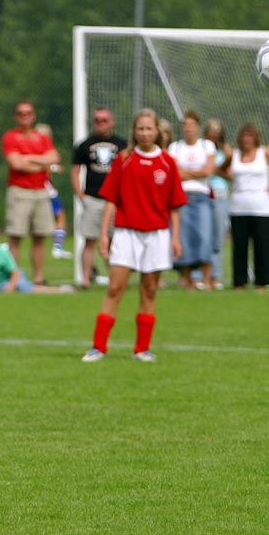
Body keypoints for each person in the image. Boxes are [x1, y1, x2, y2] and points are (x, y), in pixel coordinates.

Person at [82, 108, 185, 363]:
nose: (145, 133)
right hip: (126, 233)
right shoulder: (124, 159)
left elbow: (174, 205)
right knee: (115, 288)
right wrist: (105, 234)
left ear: (157, 131)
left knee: (149, 291)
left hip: (157, 235)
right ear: (134, 131)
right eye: (140, 128)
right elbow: (111, 201)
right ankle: (98, 347)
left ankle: (142, 349)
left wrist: (175, 237)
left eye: (149, 128)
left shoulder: (168, 162)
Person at [2, 99, 60, 286]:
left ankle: (38, 278)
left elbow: (54, 158)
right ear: (16, 116)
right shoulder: (10, 137)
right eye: (21, 114)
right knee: (16, 236)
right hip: (20, 191)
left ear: (33, 116)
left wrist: (29, 159)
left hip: (41, 191)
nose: (25, 117)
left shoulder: (42, 137)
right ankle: (14, 278)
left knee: (40, 236)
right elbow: (16, 164)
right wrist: (41, 162)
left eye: (28, 113)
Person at [225, 122, 269, 291]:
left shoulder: (264, 152)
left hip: (261, 207)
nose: (247, 139)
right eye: (244, 136)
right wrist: (233, 181)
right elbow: (220, 169)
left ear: (255, 138)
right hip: (238, 207)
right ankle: (239, 283)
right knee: (239, 246)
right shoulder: (235, 154)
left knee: (262, 246)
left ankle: (262, 282)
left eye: (250, 136)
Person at [70, 106, 127, 290]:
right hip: (93, 198)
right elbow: (75, 169)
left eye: (104, 120)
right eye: (97, 120)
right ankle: (86, 280)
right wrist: (80, 193)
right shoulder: (85, 144)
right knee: (90, 240)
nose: (101, 124)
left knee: (113, 241)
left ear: (112, 122)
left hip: (115, 199)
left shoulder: (121, 144)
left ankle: (114, 279)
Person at [167, 111, 217, 290]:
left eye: (191, 124)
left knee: (204, 237)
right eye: (185, 124)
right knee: (184, 238)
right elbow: (174, 174)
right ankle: (188, 280)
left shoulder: (207, 146)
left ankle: (207, 279)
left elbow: (208, 171)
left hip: (202, 196)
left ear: (197, 126)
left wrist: (185, 173)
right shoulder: (175, 147)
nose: (188, 128)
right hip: (182, 197)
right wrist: (196, 172)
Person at [36, 123, 70, 260]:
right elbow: (45, 167)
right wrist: (54, 167)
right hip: (44, 190)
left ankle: (58, 247)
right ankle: (58, 248)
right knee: (59, 217)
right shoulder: (41, 150)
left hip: (47, 188)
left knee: (59, 216)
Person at [204, 119, 230, 290]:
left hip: (220, 195)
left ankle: (216, 275)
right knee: (204, 236)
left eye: (217, 131)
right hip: (204, 195)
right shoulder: (202, 149)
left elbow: (231, 174)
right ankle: (200, 274)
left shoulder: (224, 151)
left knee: (218, 238)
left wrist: (216, 168)